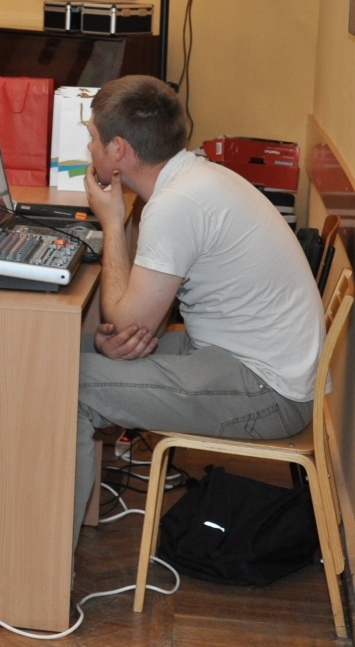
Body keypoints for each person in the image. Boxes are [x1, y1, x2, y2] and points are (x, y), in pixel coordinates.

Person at [73, 75, 323, 546]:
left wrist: (110, 221)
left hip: (269, 390)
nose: (89, 148)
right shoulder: (195, 176)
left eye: (92, 138)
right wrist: (117, 334)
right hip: (239, 355)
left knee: (67, 382)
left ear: (119, 150)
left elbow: (129, 323)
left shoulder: (177, 204)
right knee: (55, 350)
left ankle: (42, 571)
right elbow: (131, 322)